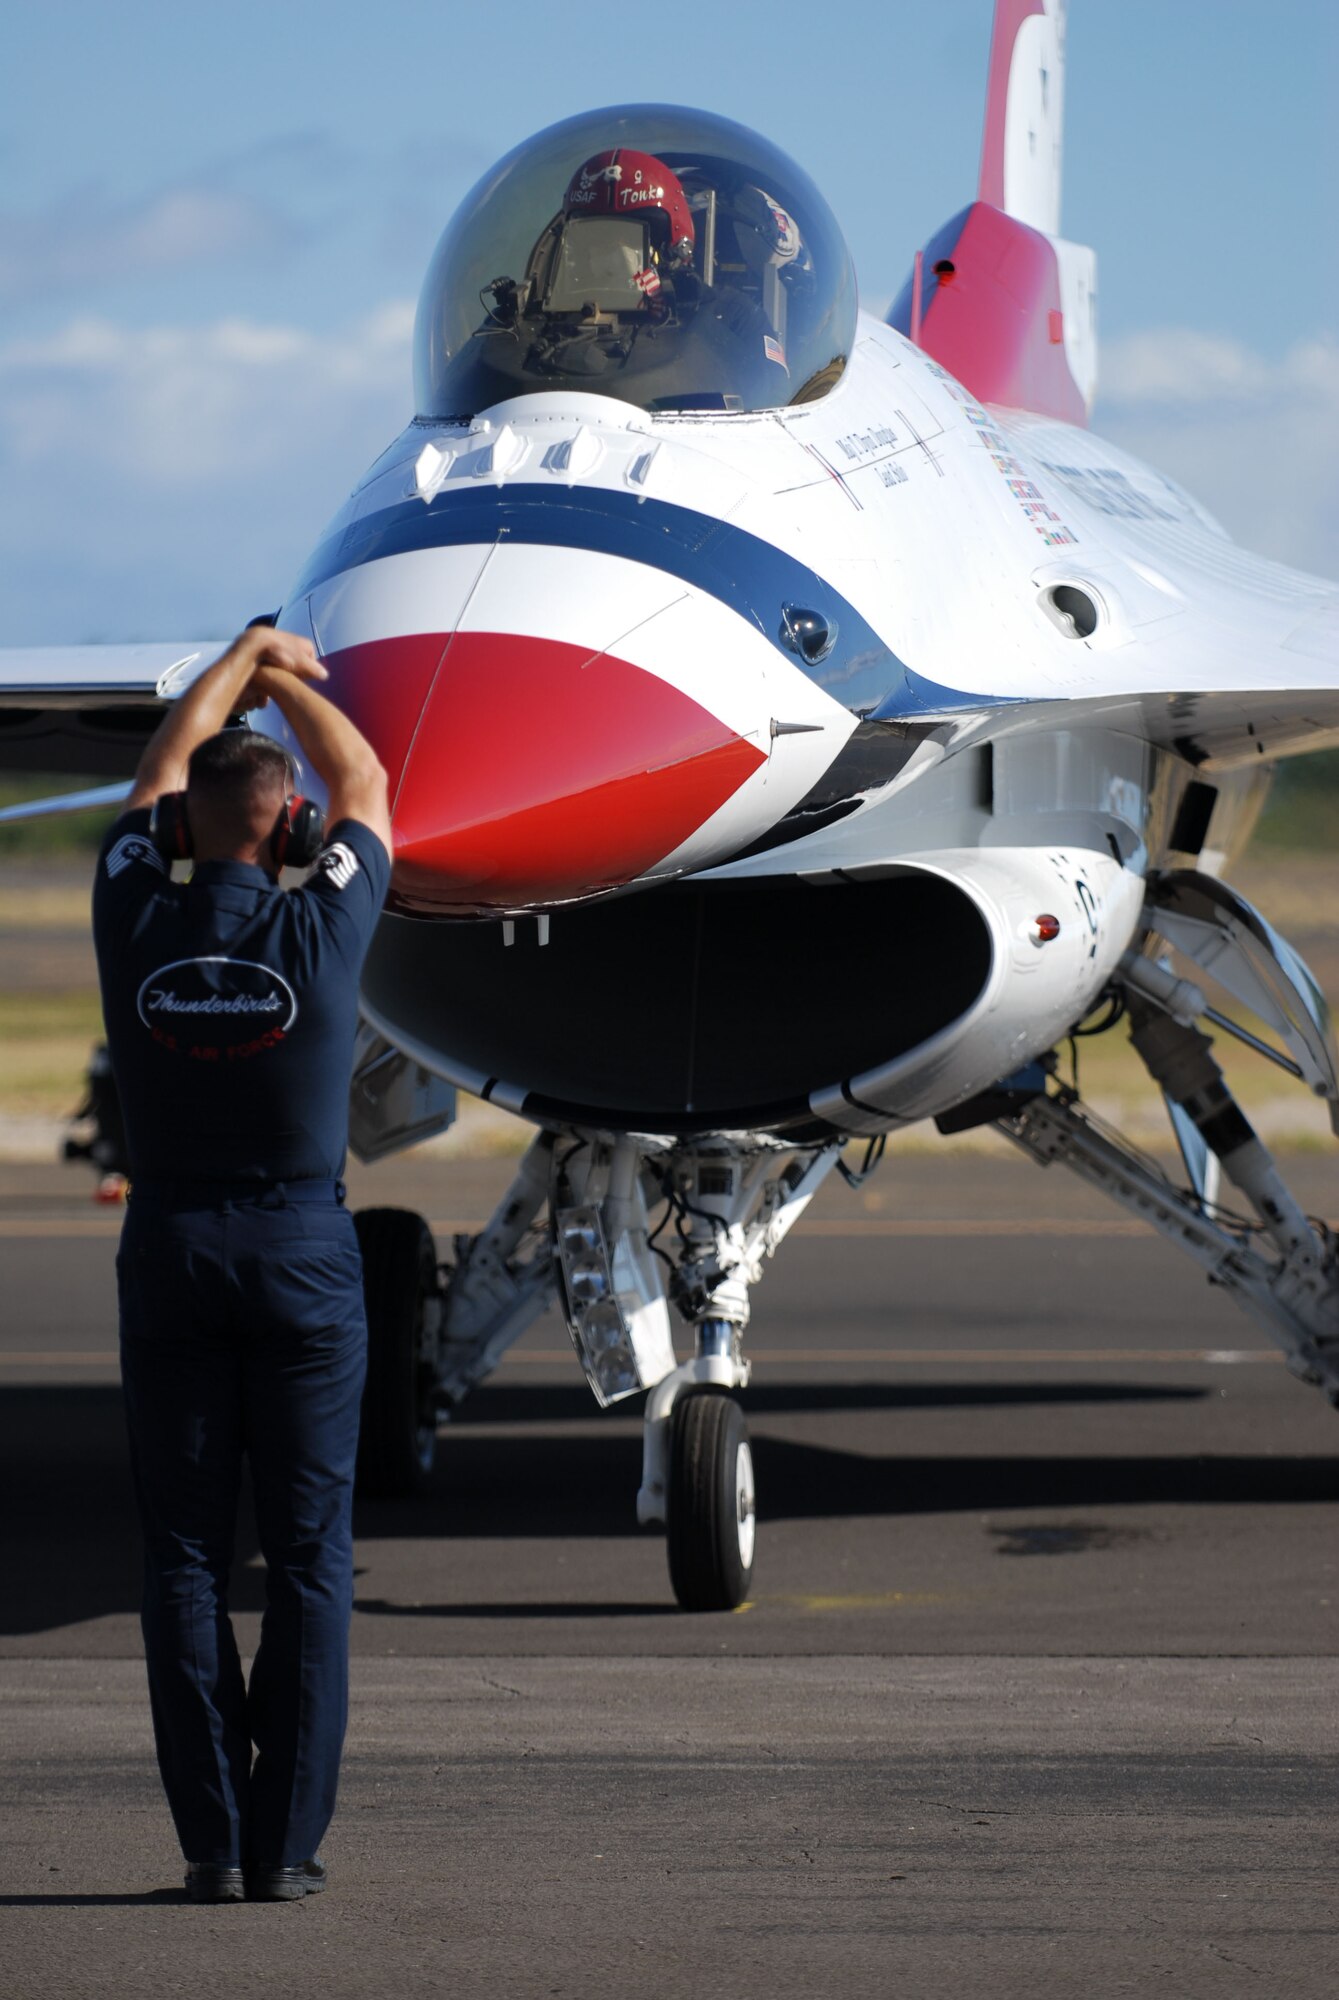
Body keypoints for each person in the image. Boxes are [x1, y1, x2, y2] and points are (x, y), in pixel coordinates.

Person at [91, 625, 393, 1904]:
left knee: (183, 1554)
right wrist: (286, 681)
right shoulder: (321, 933)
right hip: (303, 1253)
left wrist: (235, 661)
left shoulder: (131, 911)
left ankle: (211, 1844)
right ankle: (289, 1848)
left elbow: (152, 782)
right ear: (290, 832)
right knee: (312, 1555)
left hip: (170, 1244)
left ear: (182, 836)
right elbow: (370, 786)